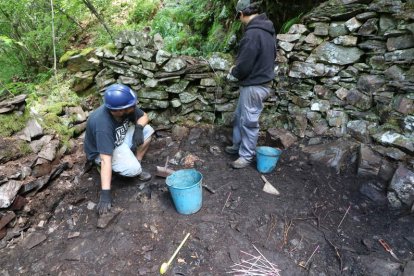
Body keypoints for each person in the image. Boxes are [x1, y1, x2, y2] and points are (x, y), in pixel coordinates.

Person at [84, 83, 154, 215]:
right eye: (131, 106)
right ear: (118, 111)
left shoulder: (124, 108)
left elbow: (144, 116)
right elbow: (105, 160)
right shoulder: (103, 125)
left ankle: (136, 161)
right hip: (103, 151)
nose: (134, 107)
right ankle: (108, 168)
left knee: (148, 130)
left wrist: (138, 129)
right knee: (133, 170)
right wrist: (105, 194)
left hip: (119, 138)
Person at [225, 0, 276, 169]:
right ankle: (237, 145)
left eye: (238, 17)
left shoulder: (253, 34)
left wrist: (234, 70)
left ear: (241, 14)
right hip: (260, 81)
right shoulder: (267, 31)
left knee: (249, 121)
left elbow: (244, 65)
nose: (239, 20)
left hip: (254, 84)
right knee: (240, 115)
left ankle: (246, 156)